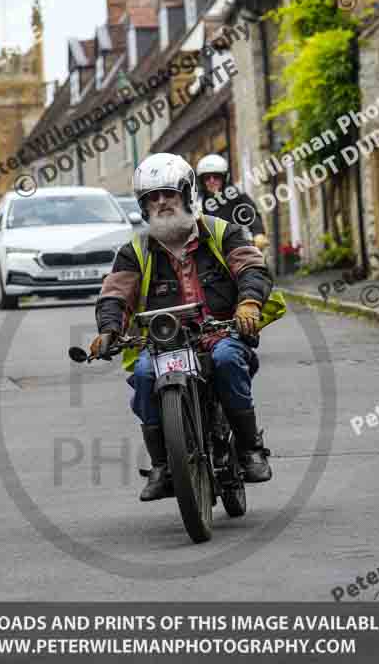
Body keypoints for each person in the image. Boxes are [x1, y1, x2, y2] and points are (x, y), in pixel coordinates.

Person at [90, 153, 273, 502]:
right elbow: (115, 293)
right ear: (143, 206)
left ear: (187, 194)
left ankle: (250, 449)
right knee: (144, 374)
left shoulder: (223, 232)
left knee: (228, 361)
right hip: (165, 344)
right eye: (152, 197)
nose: (161, 202)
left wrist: (249, 302)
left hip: (220, 334)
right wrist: (109, 330)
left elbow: (252, 268)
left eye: (168, 194)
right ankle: (162, 464)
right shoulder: (134, 251)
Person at [196, 154, 269, 251]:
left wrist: (258, 233)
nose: (212, 181)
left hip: (237, 248)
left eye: (216, 177)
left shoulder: (236, 195)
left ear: (224, 178)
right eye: (207, 178)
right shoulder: (198, 203)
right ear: (202, 181)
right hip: (210, 253)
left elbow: (250, 212)